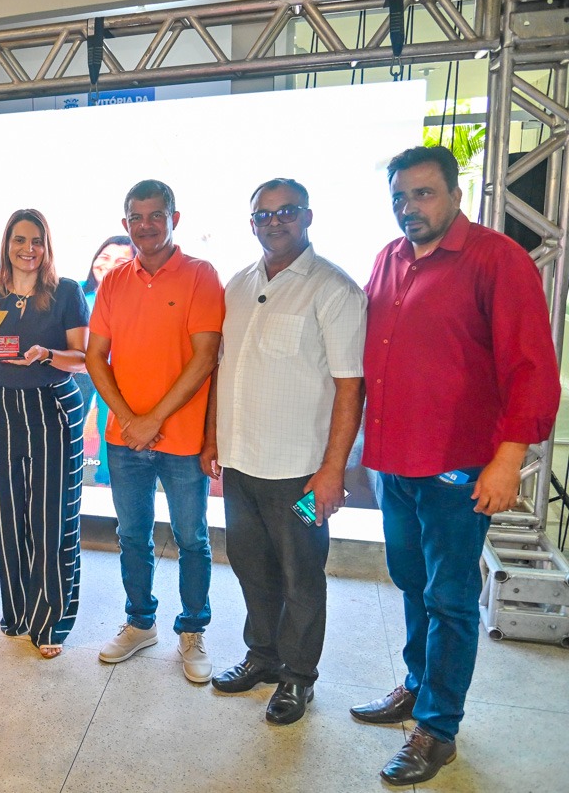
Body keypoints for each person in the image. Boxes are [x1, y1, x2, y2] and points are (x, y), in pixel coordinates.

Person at [353, 146, 559, 785]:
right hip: (394, 463)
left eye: (423, 193)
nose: (409, 207)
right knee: (411, 581)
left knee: (450, 597)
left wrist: (508, 460)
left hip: (458, 467)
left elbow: (532, 368)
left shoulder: (498, 259)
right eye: (399, 196)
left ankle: (437, 728)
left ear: (455, 194)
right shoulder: (389, 259)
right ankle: (417, 686)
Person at [201, 179, 366, 725]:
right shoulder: (238, 284)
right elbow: (223, 370)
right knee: (250, 565)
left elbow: (350, 386)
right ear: (251, 223)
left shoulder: (334, 289)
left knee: (301, 576)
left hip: (301, 472)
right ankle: (264, 656)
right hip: (241, 462)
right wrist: (213, 439)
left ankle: (298, 677)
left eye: (286, 211)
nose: (274, 221)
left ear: (308, 216)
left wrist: (333, 470)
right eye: (263, 214)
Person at [85, 179, 224, 681]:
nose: (146, 225)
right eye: (136, 217)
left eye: (156, 215)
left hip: (182, 439)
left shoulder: (200, 275)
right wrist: (129, 419)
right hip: (125, 441)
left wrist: (153, 420)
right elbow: (96, 357)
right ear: (125, 223)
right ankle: (141, 622)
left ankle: (192, 630)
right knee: (132, 535)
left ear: (174, 219)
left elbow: (205, 357)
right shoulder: (114, 281)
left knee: (191, 538)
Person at [0, 209, 88, 659]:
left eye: (36, 241)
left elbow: (82, 359)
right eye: (19, 240)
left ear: (46, 245)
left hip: (51, 406)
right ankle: (17, 612)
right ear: (6, 244)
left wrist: (45, 354)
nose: (27, 249)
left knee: (51, 516)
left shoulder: (65, 291)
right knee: (8, 515)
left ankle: (51, 620)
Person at [75, 235, 133, 486]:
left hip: (115, 373)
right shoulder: (76, 291)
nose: (109, 265)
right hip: (77, 371)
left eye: (120, 262)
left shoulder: (135, 299)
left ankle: (105, 481)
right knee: (70, 424)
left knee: (109, 426)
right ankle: (66, 476)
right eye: (105, 257)